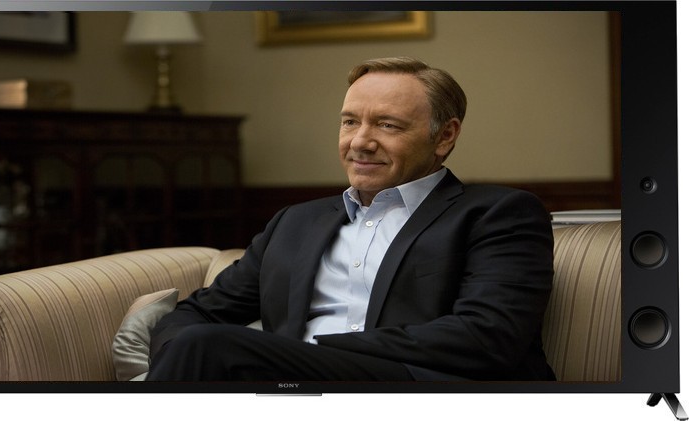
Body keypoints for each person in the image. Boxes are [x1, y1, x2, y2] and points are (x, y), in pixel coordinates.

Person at [146, 57, 556, 382]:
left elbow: (487, 336)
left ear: (444, 136)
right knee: (198, 345)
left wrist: (318, 349)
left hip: (422, 387)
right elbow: (196, 314)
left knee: (209, 348)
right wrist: (179, 353)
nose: (360, 142)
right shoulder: (296, 222)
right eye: (349, 122)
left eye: (387, 125)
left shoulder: (498, 213)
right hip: (294, 387)